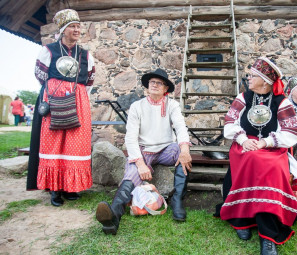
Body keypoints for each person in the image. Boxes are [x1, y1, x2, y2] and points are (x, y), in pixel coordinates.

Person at [216, 58, 297, 255]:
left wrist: (266, 142)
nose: (249, 78)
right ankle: (242, 219)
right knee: (251, 158)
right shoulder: (243, 97)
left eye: (253, 75)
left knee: (265, 163)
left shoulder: (282, 102)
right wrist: (243, 139)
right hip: (245, 145)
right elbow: (230, 123)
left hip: (272, 147)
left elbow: (291, 133)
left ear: (265, 81)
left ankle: (268, 234)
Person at [96, 68, 192, 235]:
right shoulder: (137, 106)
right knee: (131, 175)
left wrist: (185, 150)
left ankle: (177, 201)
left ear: (165, 89)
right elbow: (131, 138)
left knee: (181, 153)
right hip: (144, 152)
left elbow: (180, 127)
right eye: (152, 82)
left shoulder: (173, 105)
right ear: (148, 86)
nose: (154, 85)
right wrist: (140, 164)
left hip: (165, 150)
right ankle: (113, 218)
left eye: (159, 83)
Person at [26, 9, 95, 207]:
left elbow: (90, 79)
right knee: (54, 142)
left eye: (78, 26)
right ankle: (55, 189)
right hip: (54, 99)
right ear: (63, 30)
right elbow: (40, 75)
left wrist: (77, 94)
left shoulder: (85, 55)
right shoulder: (49, 51)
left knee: (75, 142)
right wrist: (57, 89)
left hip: (78, 99)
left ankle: (70, 187)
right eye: (72, 26)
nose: (76, 30)